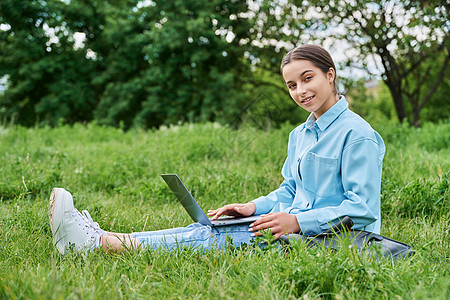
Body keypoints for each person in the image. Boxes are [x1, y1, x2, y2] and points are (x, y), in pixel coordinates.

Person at [48, 44, 385, 255]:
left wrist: (297, 221)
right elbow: (291, 190)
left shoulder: (358, 135)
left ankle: (100, 244)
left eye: (308, 79)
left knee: (218, 241)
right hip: (293, 227)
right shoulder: (300, 133)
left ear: (330, 75)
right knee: (210, 229)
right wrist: (252, 206)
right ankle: (103, 238)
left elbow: (362, 209)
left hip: (334, 241)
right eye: (292, 85)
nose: (300, 91)